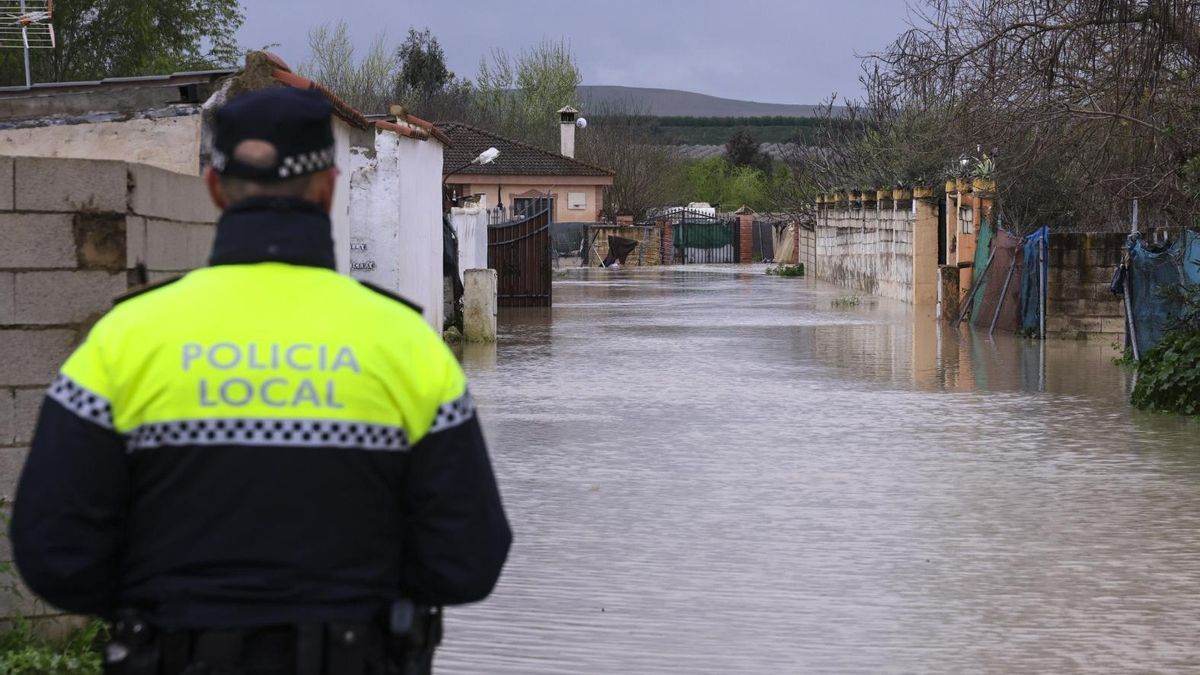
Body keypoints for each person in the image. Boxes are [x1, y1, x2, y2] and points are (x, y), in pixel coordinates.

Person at [9, 86, 512, 674]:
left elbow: (51, 552)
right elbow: (470, 557)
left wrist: (162, 606)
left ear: (216, 189)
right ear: (328, 188)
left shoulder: (124, 340)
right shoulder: (407, 345)